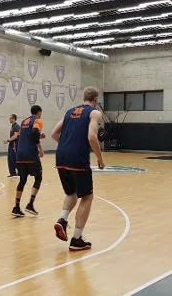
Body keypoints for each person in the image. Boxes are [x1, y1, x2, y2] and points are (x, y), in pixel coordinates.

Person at [51, 87, 105, 251]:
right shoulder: (94, 113)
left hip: (61, 156)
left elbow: (54, 134)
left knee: (71, 192)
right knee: (87, 196)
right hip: (77, 157)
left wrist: (67, 145)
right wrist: (100, 158)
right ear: (95, 100)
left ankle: (62, 219)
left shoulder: (69, 111)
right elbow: (92, 136)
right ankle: (76, 239)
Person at [12, 105, 45, 217]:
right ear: (39, 112)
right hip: (30, 154)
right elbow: (35, 132)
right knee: (38, 177)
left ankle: (16, 207)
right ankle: (30, 204)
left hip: (20, 154)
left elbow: (23, 135)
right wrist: (40, 148)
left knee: (22, 180)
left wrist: (39, 136)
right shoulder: (38, 120)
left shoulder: (24, 121)